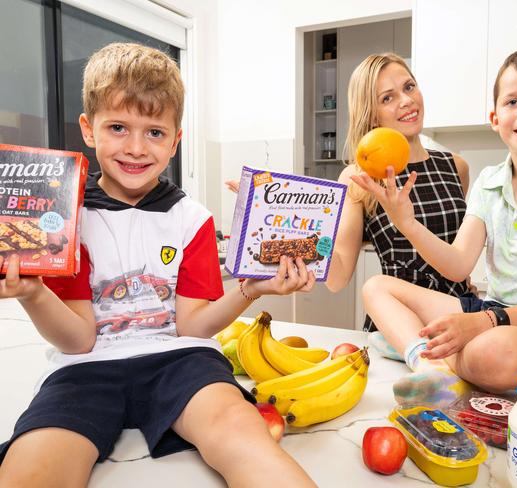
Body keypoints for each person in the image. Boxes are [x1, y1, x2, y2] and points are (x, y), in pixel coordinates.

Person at [0, 43, 317, 487]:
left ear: (175, 140)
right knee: (31, 467)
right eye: (118, 127)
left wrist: (253, 289)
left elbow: (192, 328)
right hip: (84, 368)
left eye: (154, 132)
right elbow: (78, 340)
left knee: (240, 430)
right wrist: (33, 293)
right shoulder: (64, 219)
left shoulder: (193, 220)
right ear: (89, 130)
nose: (135, 148)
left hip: (180, 360)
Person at [352, 45, 517, 405]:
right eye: (513, 102)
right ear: (495, 117)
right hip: (496, 311)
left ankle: (418, 349)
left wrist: (485, 322)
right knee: (377, 287)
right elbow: (458, 263)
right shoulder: (490, 182)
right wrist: (407, 222)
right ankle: (431, 368)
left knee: (493, 352)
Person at [326, 53, 473, 345]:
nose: (406, 101)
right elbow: (337, 278)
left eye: (409, 87)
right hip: (397, 330)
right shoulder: (359, 178)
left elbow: (456, 253)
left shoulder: (456, 166)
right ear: (371, 113)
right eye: (387, 98)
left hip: (457, 322)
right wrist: (307, 240)